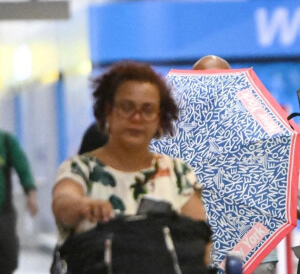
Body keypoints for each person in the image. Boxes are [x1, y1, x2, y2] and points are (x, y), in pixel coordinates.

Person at [52, 61, 212, 269]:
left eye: (147, 110)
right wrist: (83, 206)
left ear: (159, 117)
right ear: (108, 111)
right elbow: (63, 201)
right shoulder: (80, 169)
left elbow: (199, 243)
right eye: (127, 107)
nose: (136, 118)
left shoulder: (178, 172)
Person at [193, 55, 279, 274]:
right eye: (203, 81)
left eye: (220, 80)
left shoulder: (262, 129)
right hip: (198, 252)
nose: (212, 88)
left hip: (254, 249)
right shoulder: (174, 136)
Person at [0, 130, 38, 274]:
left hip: (3, 213)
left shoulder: (6, 142)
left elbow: (23, 168)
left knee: (8, 257)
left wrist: (31, 195)